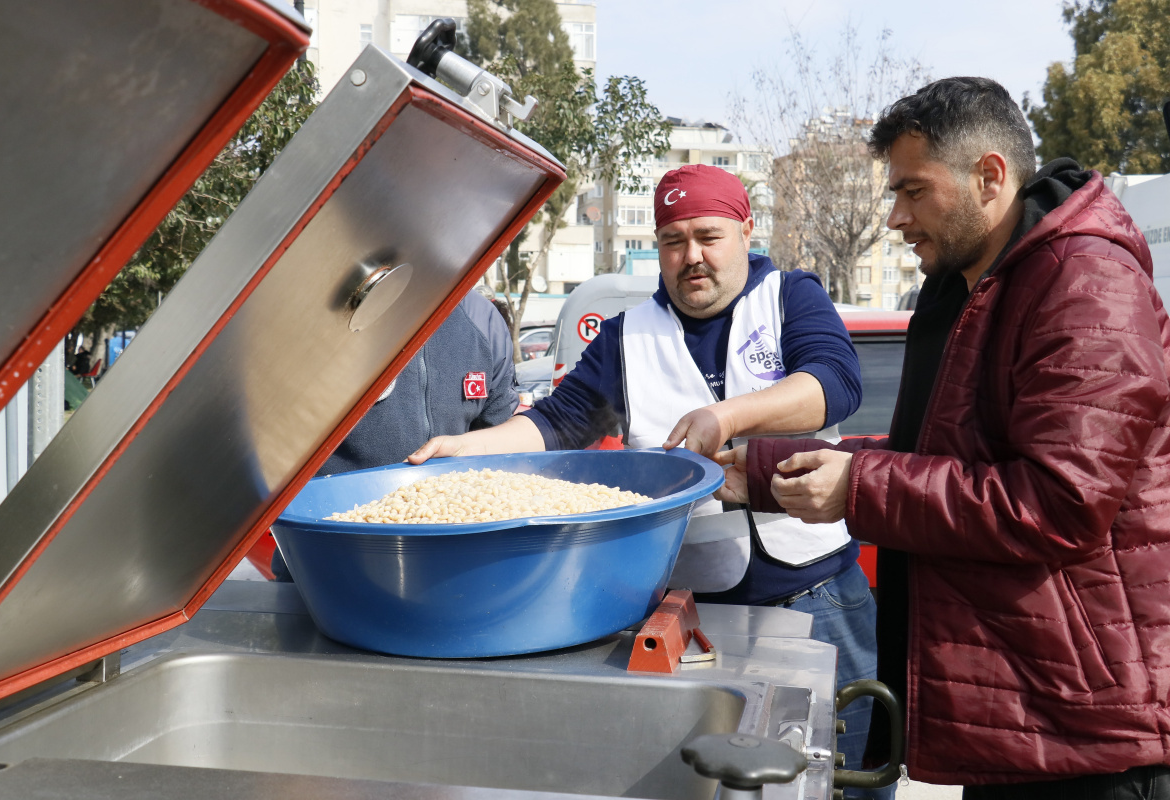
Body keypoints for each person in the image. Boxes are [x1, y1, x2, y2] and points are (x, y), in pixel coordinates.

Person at [714, 77, 1170, 797]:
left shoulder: (1086, 285)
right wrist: (766, 471)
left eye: (913, 190)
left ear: (990, 176)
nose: (895, 217)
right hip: (1022, 715)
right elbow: (938, 466)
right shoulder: (982, 286)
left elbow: (1058, 503)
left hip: (1090, 738)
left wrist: (857, 489)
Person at [409, 165, 885, 790]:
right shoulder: (627, 337)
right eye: (673, 240)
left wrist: (725, 416)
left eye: (709, 236)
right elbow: (559, 422)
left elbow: (834, 384)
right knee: (707, 784)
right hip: (692, 617)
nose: (692, 256)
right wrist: (470, 449)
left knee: (841, 777)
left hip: (817, 599)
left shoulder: (791, 296)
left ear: (746, 232)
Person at [271, 290, 517, 579]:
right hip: (327, 558)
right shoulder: (325, 305)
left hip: (450, 568)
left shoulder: (481, 318)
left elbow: (498, 448)